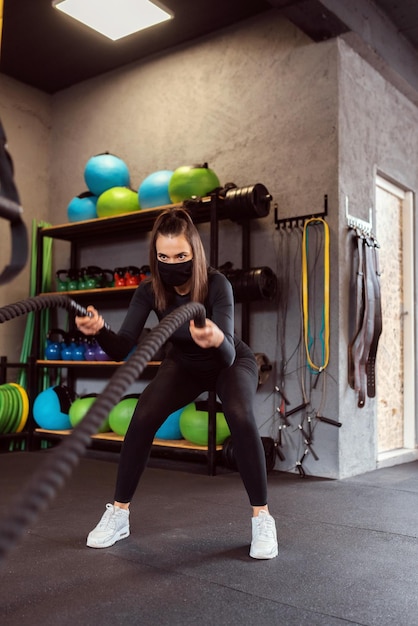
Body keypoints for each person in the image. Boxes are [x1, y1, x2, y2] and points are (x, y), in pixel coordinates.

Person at [75, 207, 278, 559]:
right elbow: (123, 347)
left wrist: (215, 338)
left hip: (229, 361)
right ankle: (119, 514)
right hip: (184, 364)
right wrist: (100, 332)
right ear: (156, 256)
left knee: (240, 416)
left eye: (181, 255)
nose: (173, 263)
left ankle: (262, 518)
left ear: (194, 253)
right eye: (164, 256)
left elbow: (228, 355)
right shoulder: (149, 291)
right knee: (141, 418)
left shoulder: (217, 285)